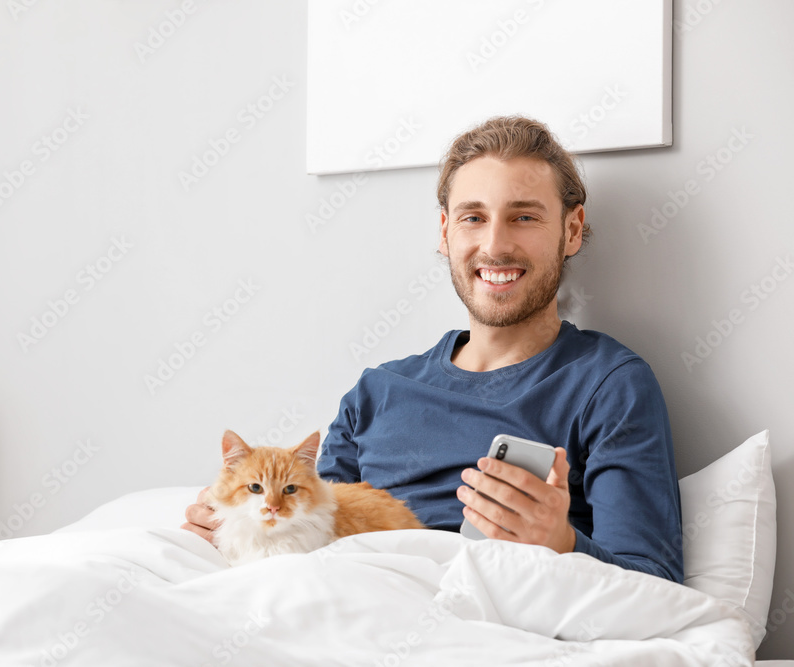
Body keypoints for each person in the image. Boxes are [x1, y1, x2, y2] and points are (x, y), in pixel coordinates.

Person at [183, 115, 684, 583]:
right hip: (352, 605)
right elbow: (312, 539)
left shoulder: (609, 383)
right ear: (445, 232)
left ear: (571, 230)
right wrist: (228, 530)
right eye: (473, 218)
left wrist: (562, 543)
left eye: (524, 217)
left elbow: (653, 584)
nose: (495, 245)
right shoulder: (377, 393)